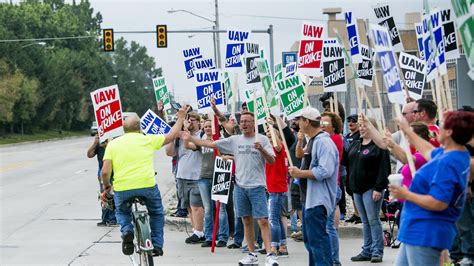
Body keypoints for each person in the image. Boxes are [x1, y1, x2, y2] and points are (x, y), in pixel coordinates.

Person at [183, 112, 278, 266]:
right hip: (240, 187)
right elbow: (212, 144)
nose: (244, 124)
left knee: (262, 221)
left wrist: (262, 150)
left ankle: (269, 255)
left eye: (248, 121)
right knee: (246, 220)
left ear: (254, 123)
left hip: (257, 186)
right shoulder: (234, 140)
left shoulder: (262, 139)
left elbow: (272, 161)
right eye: (242, 122)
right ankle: (251, 254)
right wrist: (190, 138)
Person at [100, 105, 189, 256]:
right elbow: (172, 135)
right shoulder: (148, 139)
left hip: (123, 188)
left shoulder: (113, 144)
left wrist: (107, 186)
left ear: (123, 129)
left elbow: (105, 171)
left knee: (122, 211)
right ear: (140, 128)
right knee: (156, 213)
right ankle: (158, 245)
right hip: (147, 185)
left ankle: (127, 231)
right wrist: (180, 117)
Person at [389, 111, 474, 265]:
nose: (436, 130)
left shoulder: (447, 163)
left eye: (441, 126)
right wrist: (407, 130)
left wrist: (406, 194)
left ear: (449, 132)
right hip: (417, 229)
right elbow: (428, 150)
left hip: (425, 231)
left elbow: (439, 202)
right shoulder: (456, 154)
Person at [288, 107, 339, 266]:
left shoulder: (324, 142)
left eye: (299, 119)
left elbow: (325, 170)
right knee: (311, 242)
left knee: (318, 242)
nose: (297, 123)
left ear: (307, 121)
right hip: (309, 199)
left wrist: (299, 173)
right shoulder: (313, 140)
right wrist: (300, 142)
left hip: (318, 200)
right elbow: (300, 155)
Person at [348, 116, 390, 263]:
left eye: (365, 125)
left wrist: (379, 188)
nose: (362, 128)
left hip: (371, 188)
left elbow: (384, 168)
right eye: (360, 125)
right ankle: (367, 249)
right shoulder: (356, 144)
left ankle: (377, 250)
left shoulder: (378, 145)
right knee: (365, 221)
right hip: (357, 189)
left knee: (373, 220)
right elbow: (349, 165)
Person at [183, 119, 229, 248]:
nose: (208, 128)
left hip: (219, 177)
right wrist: (186, 132)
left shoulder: (222, 140)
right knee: (208, 209)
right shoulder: (202, 140)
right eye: (206, 126)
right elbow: (188, 145)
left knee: (221, 209)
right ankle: (209, 237)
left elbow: (227, 155)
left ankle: (222, 237)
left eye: (211, 126)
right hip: (203, 178)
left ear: (216, 127)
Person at [165, 112, 205, 244]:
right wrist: (173, 137)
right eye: (188, 120)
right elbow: (170, 153)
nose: (190, 122)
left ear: (199, 122)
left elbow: (193, 147)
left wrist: (186, 131)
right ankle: (195, 230)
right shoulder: (180, 137)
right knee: (188, 205)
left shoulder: (201, 136)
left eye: (193, 120)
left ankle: (200, 232)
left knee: (196, 206)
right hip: (182, 176)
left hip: (197, 176)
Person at [320, 112, 343, 266]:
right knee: (325, 225)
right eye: (321, 123)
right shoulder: (324, 139)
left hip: (332, 186)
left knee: (329, 226)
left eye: (326, 124)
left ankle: (334, 259)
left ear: (333, 126)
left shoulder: (334, 139)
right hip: (327, 186)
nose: (322, 126)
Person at [264, 121, 289, 257]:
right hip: (273, 187)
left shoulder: (278, 148)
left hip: (277, 188)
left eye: (270, 136)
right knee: (277, 219)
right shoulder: (269, 149)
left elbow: (277, 146)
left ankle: (274, 246)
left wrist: (272, 128)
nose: (268, 139)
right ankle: (283, 245)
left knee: (273, 219)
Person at [87, 135, 117, 227]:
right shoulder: (100, 144)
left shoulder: (116, 142)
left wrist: (110, 144)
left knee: (112, 196)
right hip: (103, 174)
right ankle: (105, 219)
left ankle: (113, 219)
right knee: (103, 196)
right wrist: (95, 143)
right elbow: (89, 154)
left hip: (115, 173)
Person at [343, 114, 362, 224]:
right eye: (349, 120)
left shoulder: (359, 136)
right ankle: (356, 213)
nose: (351, 123)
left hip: (356, 166)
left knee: (355, 190)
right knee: (350, 190)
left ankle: (360, 213)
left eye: (353, 121)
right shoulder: (346, 136)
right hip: (347, 166)